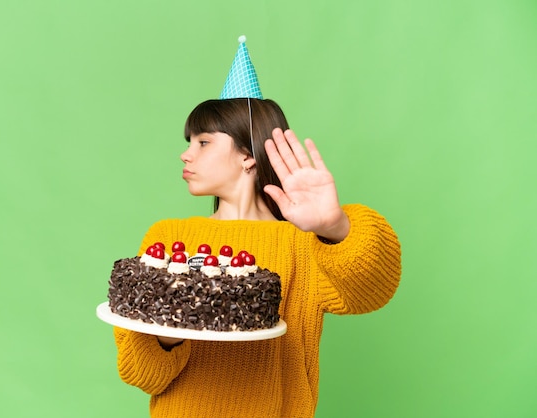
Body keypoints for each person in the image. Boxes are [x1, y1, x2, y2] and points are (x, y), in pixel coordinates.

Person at [111, 38, 401, 418]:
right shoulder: (168, 239)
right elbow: (142, 374)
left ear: (247, 155)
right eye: (189, 143)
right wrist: (169, 332)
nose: (186, 154)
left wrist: (335, 226)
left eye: (203, 142)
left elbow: (371, 290)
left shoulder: (305, 244)